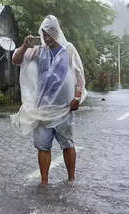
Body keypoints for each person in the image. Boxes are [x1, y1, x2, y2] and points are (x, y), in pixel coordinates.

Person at [11, 15, 85, 185]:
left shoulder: (69, 49)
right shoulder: (38, 50)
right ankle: (44, 182)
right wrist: (24, 46)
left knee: (67, 144)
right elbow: (16, 60)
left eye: (49, 33)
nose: (46, 37)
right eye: (43, 34)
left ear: (57, 32)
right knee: (43, 147)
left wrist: (77, 97)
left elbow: (79, 75)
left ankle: (71, 179)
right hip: (43, 109)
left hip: (64, 108)